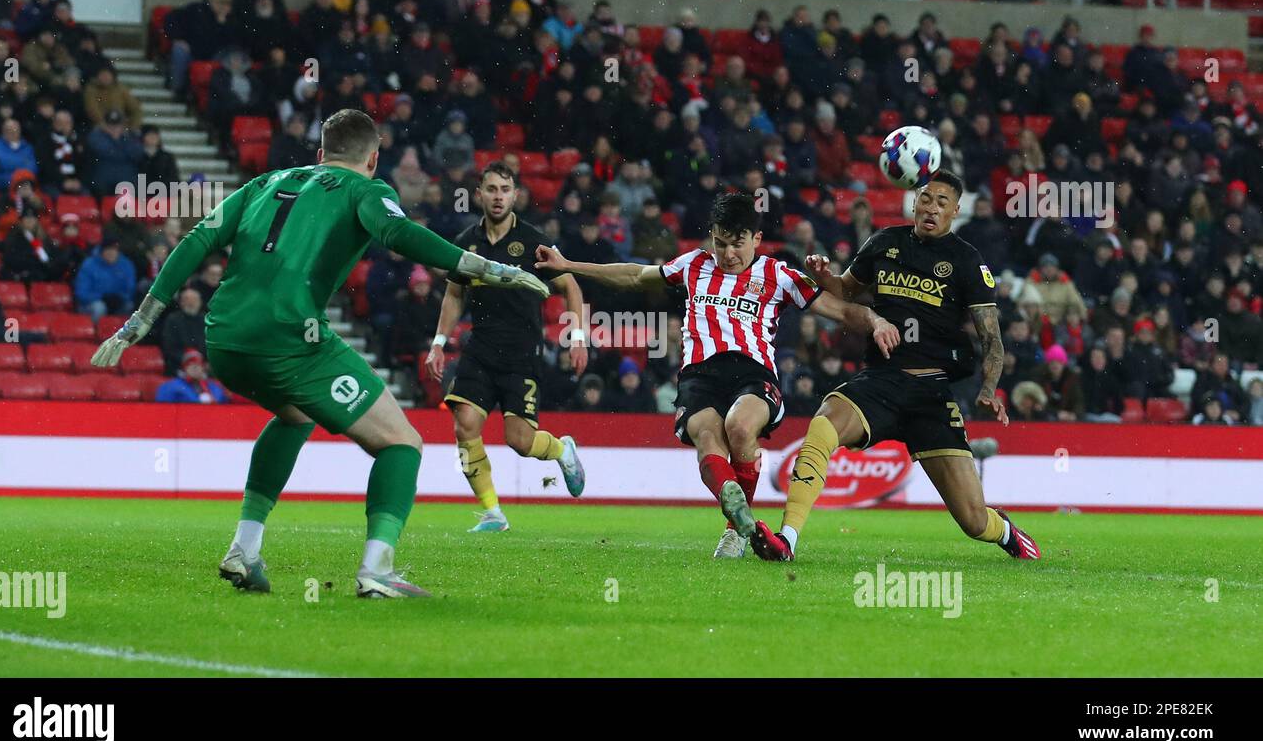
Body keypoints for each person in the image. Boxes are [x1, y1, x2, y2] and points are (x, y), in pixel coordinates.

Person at [89, 109, 548, 599]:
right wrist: (490, 269)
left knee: (293, 416)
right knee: (401, 443)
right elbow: (399, 235)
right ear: (373, 158)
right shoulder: (367, 191)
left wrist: (139, 321)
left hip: (223, 337)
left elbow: (198, 239)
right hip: (290, 335)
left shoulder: (266, 182)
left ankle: (245, 549)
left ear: (321, 153)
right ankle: (377, 570)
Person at [536, 192, 898, 559]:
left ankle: (735, 531)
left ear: (756, 239)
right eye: (720, 243)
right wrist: (568, 264)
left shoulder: (779, 275)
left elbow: (840, 311)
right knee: (709, 439)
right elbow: (634, 275)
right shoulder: (693, 264)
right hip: (699, 375)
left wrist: (876, 319)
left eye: (737, 244)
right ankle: (741, 518)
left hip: (753, 373)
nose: (727, 255)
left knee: (740, 428)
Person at [755, 171, 1041, 562]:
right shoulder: (884, 242)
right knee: (822, 425)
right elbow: (847, 291)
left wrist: (988, 390)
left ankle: (1005, 532)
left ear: (955, 211)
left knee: (974, 521)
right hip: (881, 382)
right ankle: (787, 538)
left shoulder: (966, 260)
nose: (932, 207)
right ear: (915, 202)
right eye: (926, 198)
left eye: (942, 202)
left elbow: (991, 338)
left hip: (931, 394)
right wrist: (825, 277)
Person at [425, 161, 589, 533]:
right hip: (480, 348)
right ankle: (493, 512)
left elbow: (571, 288)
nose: (498, 197)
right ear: (478, 194)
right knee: (464, 424)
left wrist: (577, 337)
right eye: (491, 189)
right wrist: (438, 343)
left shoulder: (534, 241)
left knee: (519, 441)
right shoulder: (466, 242)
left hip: (522, 353)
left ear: (515, 196)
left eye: (505, 190)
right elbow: (454, 294)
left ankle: (563, 450)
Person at [156, 348, 230, 404]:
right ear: (184, 368)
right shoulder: (171, 387)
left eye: (197, 365)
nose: (194, 368)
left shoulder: (215, 387)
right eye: (190, 365)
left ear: (203, 368)